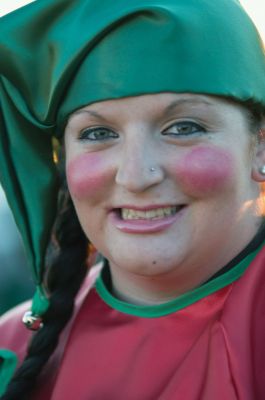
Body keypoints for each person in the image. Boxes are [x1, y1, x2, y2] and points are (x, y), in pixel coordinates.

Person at [0, 0, 265, 399]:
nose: (136, 176)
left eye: (184, 127)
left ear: (260, 149)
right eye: (97, 134)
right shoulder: (13, 346)